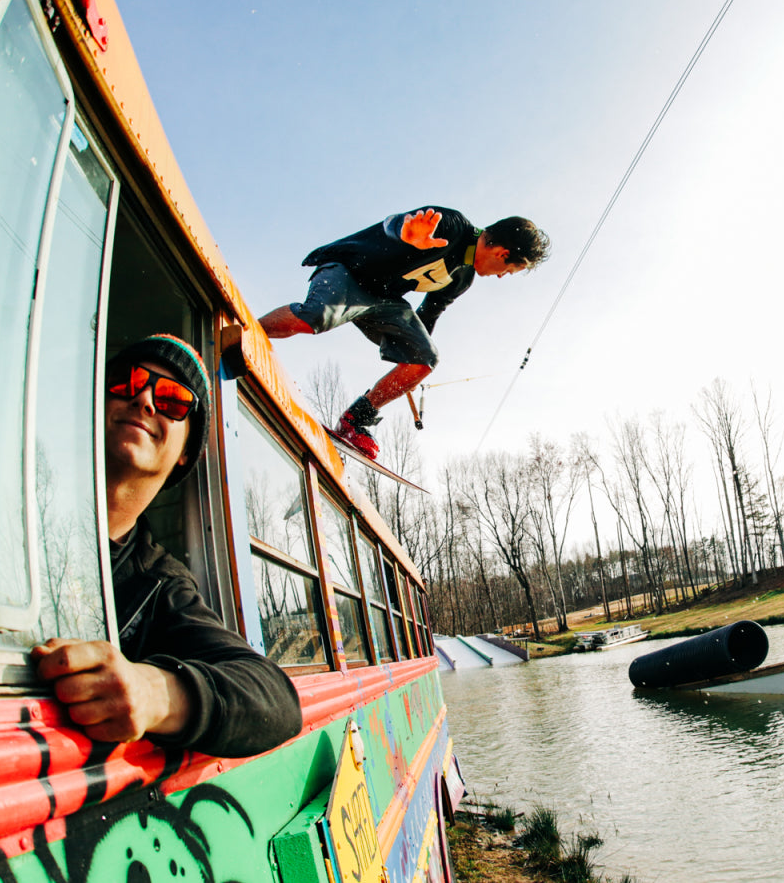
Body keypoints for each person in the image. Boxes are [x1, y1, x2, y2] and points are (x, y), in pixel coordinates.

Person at [32, 334, 303, 758]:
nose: (143, 400)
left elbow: (277, 701)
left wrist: (154, 693)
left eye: (174, 399)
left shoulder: (160, 584)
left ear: (184, 453)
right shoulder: (16, 506)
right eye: (126, 381)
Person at [259, 207, 550, 459]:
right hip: (350, 270)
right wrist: (405, 234)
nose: (501, 276)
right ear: (502, 253)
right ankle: (245, 329)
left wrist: (412, 363)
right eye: (509, 270)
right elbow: (395, 224)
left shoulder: (461, 278)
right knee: (316, 317)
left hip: (383, 299)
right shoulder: (451, 226)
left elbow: (427, 316)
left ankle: (355, 419)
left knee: (425, 359)